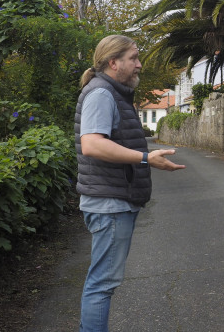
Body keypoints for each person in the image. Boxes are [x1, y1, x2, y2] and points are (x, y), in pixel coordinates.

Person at [75, 35, 186, 332]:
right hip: (110, 203)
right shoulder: (101, 93)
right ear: (114, 63)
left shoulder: (111, 92)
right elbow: (92, 145)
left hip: (112, 200)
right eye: (134, 58)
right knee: (102, 284)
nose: (139, 65)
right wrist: (146, 159)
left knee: (102, 281)